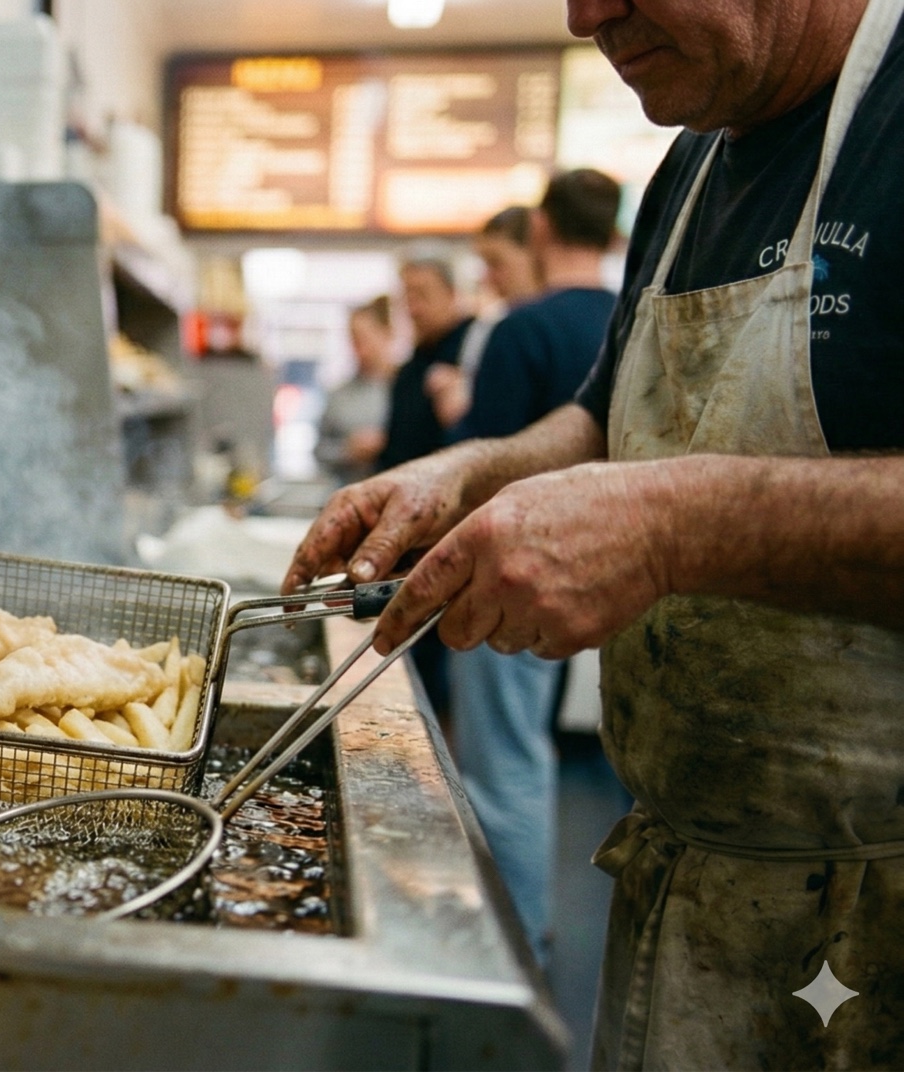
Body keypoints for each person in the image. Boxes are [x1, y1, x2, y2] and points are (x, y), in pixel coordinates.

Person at [283, 0, 904, 1064]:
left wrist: (671, 525)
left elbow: (658, 494)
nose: (583, 17)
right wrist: (465, 475)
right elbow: (602, 416)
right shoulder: (691, 167)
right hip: (694, 888)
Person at [440, 169, 623, 968]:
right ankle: (535, 926)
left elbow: (480, 470)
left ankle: (514, 954)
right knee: (539, 751)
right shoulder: (632, 322)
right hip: (628, 575)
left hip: (515, 581)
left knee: (504, 761)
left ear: (540, 231)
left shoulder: (523, 329)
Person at [376, 254, 475, 718]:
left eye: (422, 295)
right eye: (405, 296)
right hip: (405, 533)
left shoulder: (472, 352)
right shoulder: (413, 361)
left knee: (435, 655)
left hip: (446, 533)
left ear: (451, 294)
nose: (412, 307)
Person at [427, 206, 545, 428]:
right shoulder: (487, 328)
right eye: (485, 264)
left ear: (535, 253)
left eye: (496, 263)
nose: (488, 278)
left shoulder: (551, 328)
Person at [315, 296, 396, 486]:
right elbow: (319, 451)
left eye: (365, 339)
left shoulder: (405, 390)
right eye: (354, 340)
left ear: (386, 334)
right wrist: (347, 451)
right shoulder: (339, 395)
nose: (360, 349)